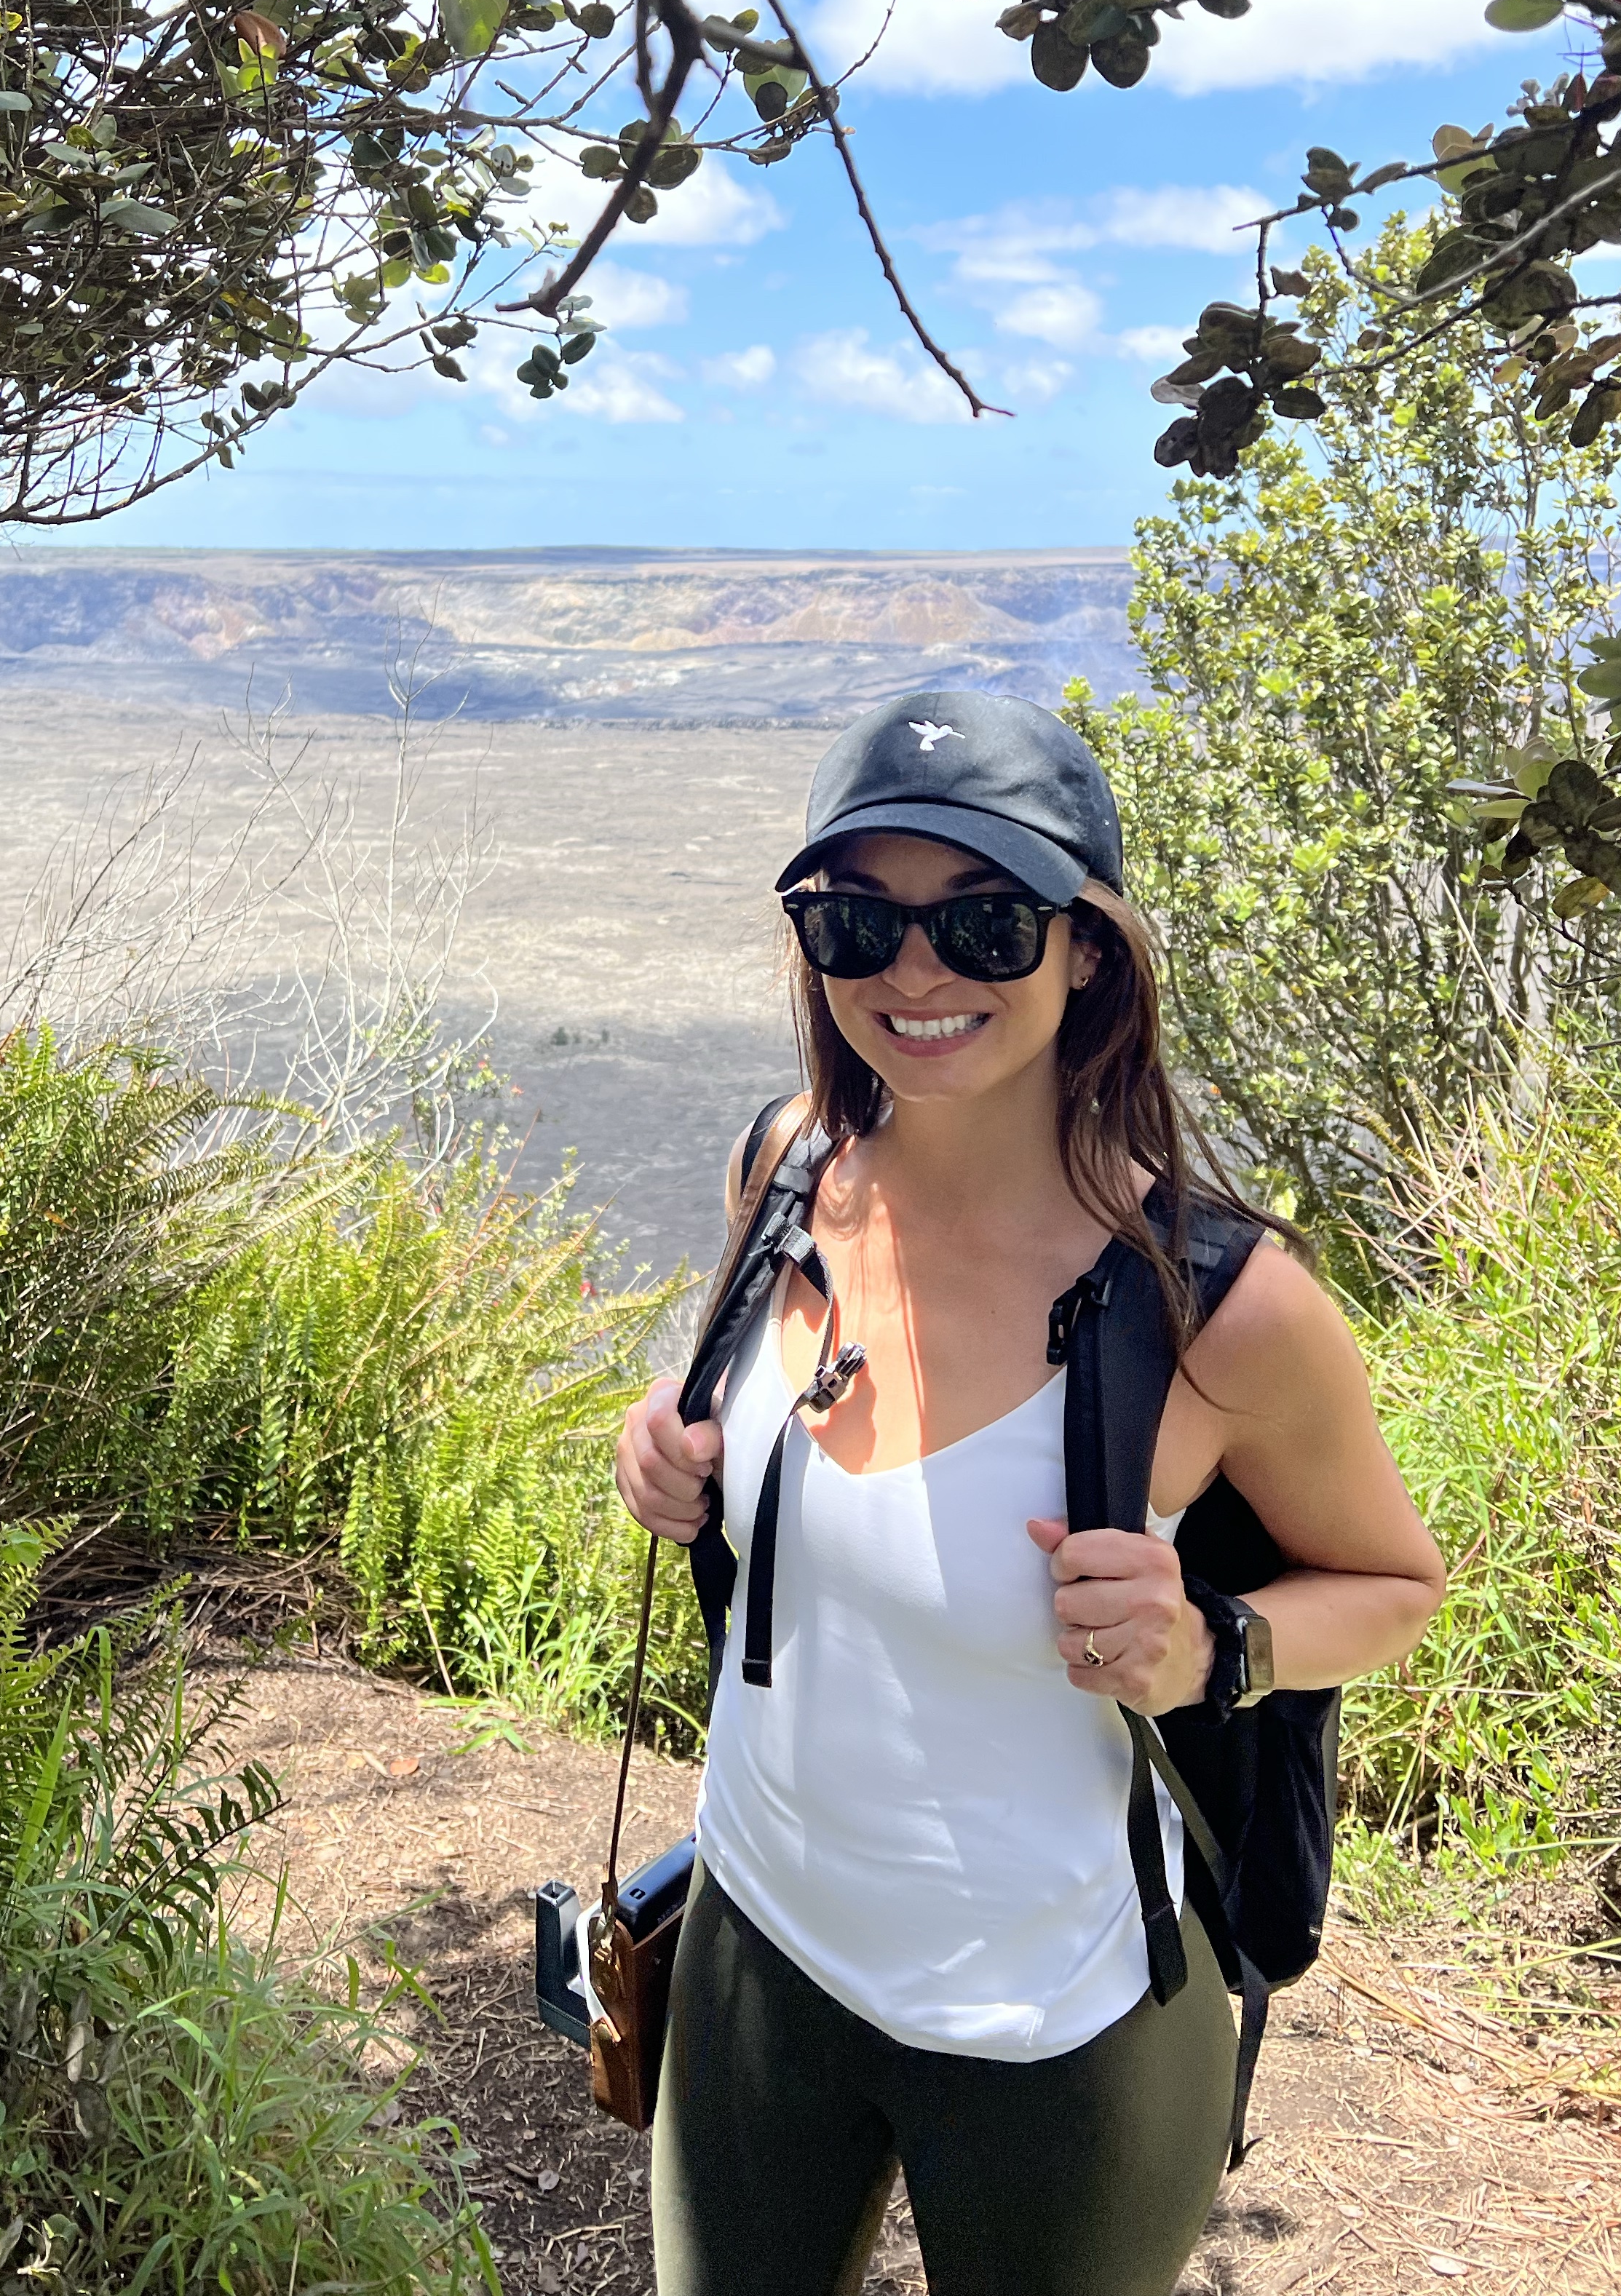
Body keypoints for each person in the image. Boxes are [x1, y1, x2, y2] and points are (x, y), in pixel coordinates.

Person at [614, 690, 1445, 2296]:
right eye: (859, 922)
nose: (914, 973)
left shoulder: (1215, 1307)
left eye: (986, 922)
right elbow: (752, 1444)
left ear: (1089, 954)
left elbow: (1395, 1588)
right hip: (757, 1949)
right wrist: (672, 1444)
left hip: (1059, 2019)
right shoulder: (782, 1172)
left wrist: (1211, 1645)